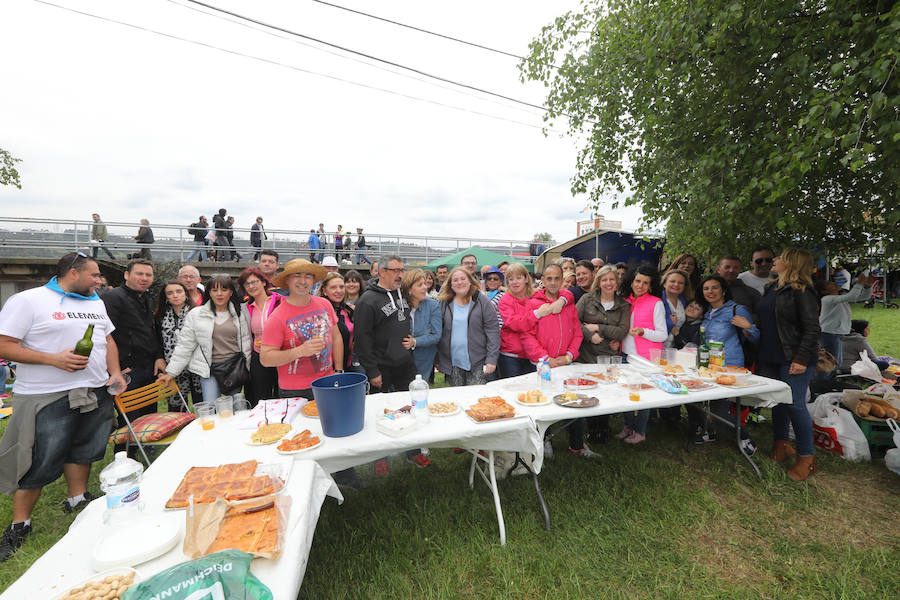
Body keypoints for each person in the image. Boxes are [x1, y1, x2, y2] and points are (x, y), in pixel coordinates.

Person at [0, 252, 126, 561]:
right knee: (38, 458)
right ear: (72, 272)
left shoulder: (95, 302)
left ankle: (77, 498)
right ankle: (20, 523)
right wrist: (53, 359)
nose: (99, 281)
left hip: (95, 389)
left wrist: (115, 373)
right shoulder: (29, 301)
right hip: (47, 393)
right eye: (94, 275)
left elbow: (107, 340)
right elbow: (4, 344)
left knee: (84, 448)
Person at [757, 248, 821, 481]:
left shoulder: (802, 291)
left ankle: (807, 458)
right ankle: (781, 446)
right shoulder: (771, 287)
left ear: (791, 264)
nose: (773, 260)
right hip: (770, 356)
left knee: (795, 405)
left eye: (779, 258)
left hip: (793, 357)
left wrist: (801, 360)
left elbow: (812, 329)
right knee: (778, 404)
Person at [521, 264, 590, 457]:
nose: (552, 282)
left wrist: (569, 356)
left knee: (576, 402)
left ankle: (577, 444)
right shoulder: (533, 304)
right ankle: (545, 440)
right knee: (544, 406)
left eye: (556, 278)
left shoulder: (568, 304)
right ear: (542, 280)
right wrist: (545, 358)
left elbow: (577, 333)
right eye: (549, 278)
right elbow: (527, 335)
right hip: (543, 364)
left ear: (562, 280)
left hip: (566, 363)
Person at [159, 274, 252, 402]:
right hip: (209, 370)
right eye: (214, 290)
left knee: (235, 409)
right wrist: (171, 372)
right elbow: (185, 346)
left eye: (224, 289)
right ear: (209, 292)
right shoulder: (196, 314)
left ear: (231, 292)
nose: (219, 293)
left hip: (234, 368)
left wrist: (247, 366)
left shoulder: (239, 313)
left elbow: (246, 343)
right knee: (211, 408)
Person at [698, 274, 760, 453]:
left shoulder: (736, 310)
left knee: (719, 408)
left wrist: (748, 327)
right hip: (709, 366)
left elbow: (756, 339)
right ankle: (711, 431)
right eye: (706, 288)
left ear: (724, 291)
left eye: (714, 287)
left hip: (729, 366)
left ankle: (746, 438)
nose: (710, 291)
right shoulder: (707, 312)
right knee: (710, 403)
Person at [576, 264, 630, 444]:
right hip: (587, 355)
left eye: (612, 279)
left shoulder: (623, 305)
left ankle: (602, 429)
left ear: (617, 281)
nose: (608, 283)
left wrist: (599, 327)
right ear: (598, 282)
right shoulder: (586, 299)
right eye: (604, 279)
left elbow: (622, 331)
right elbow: (574, 322)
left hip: (608, 357)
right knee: (589, 392)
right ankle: (592, 430)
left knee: (606, 394)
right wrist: (590, 335)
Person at [102, 258, 166, 407]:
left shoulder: (146, 298)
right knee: (131, 420)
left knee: (149, 418)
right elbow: (105, 336)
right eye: (139, 274)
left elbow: (151, 331)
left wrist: (158, 356)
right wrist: (118, 368)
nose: (144, 278)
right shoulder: (112, 298)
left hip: (149, 368)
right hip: (128, 370)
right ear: (126, 275)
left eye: (148, 275)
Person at [617, 264, 666, 445]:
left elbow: (663, 334)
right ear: (631, 281)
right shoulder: (624, 301)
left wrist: (643, 331)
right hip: (625, 354)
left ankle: (641, 431)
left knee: (644, 394)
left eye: (645, 283)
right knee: (626, 391)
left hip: (645, 357)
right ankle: (628, 426)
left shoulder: (656, 303)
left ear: (650, 286)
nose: (640, 285)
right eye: (638, 281)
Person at [437, 266, 500, 387]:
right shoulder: (444, 302)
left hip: (478, 362)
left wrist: (492, 359)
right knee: (457, 398)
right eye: (455, 280)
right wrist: (438, 359)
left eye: (463, 279)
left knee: (477, 398)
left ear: (470, 281)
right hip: (453, 362)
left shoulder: (482, 300)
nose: (459, 282)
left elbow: (493, 330)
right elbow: (438, 331)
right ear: (450, 284)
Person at [498, 262, 555, 379]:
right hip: (511, 355)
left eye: (518, 278)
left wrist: (562, 301)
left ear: (526, 279)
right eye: (510, 279)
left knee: (533, 390)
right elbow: (514, 323)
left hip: (534, 354)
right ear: (507, 282)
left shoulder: (535, 296)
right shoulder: (505, 300)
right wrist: (537, 314)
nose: (514, 282)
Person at [154, 280, 202, 409]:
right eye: (170, 293)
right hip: (172, 364)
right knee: (176, 405)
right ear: (166, 297)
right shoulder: (160, 316)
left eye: (179, 291)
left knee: (201, 402)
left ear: (186, 294)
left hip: (196, 364)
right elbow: (158, 340)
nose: (175, 295)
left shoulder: (198, 313)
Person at [237, 267, 281, 405]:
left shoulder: (280, 302)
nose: (251, 286)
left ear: (263, 282)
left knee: (282, 394)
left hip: (281, 355)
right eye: (247, 284)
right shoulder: (245, 308)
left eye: (254, 282)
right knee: (261, 398)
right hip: (259, 356)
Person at [816, 273, 873, 378]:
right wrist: (859, 283)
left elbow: (861, 297)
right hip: (829, 333)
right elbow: (852, 296)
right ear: (823, 291)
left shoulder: (840, 297)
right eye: (829, 284)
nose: (833, 283)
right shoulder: (827, 299)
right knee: (829, 361)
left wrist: (867, 287)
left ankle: (830, 381)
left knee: (837, 361)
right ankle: (821, 383)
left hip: (836, 333)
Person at [400, 269, 442, 380]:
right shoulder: (399, 306)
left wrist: (415, 342)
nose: (425, 287)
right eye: (420, 285)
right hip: (401, 360)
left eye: (425, 283)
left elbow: (436, 335)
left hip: (424, 359)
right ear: (409, 289)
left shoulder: (433, 306)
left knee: (419, 390)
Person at [317, 272, 354, 373]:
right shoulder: (321, 312)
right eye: (333, 287)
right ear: (325, 291)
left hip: (349, 365)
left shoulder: (348, 310)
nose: (339, 291)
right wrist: (337, 370)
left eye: (341, 287)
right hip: (331, 369)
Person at [660, 270, 689, 348]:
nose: (676, 284)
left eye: (681, 283)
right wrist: (669, 323)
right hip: (657, 347)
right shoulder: (657, 300)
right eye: (672, 281)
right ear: (664, 283)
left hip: (673, 349)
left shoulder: (684, 302)